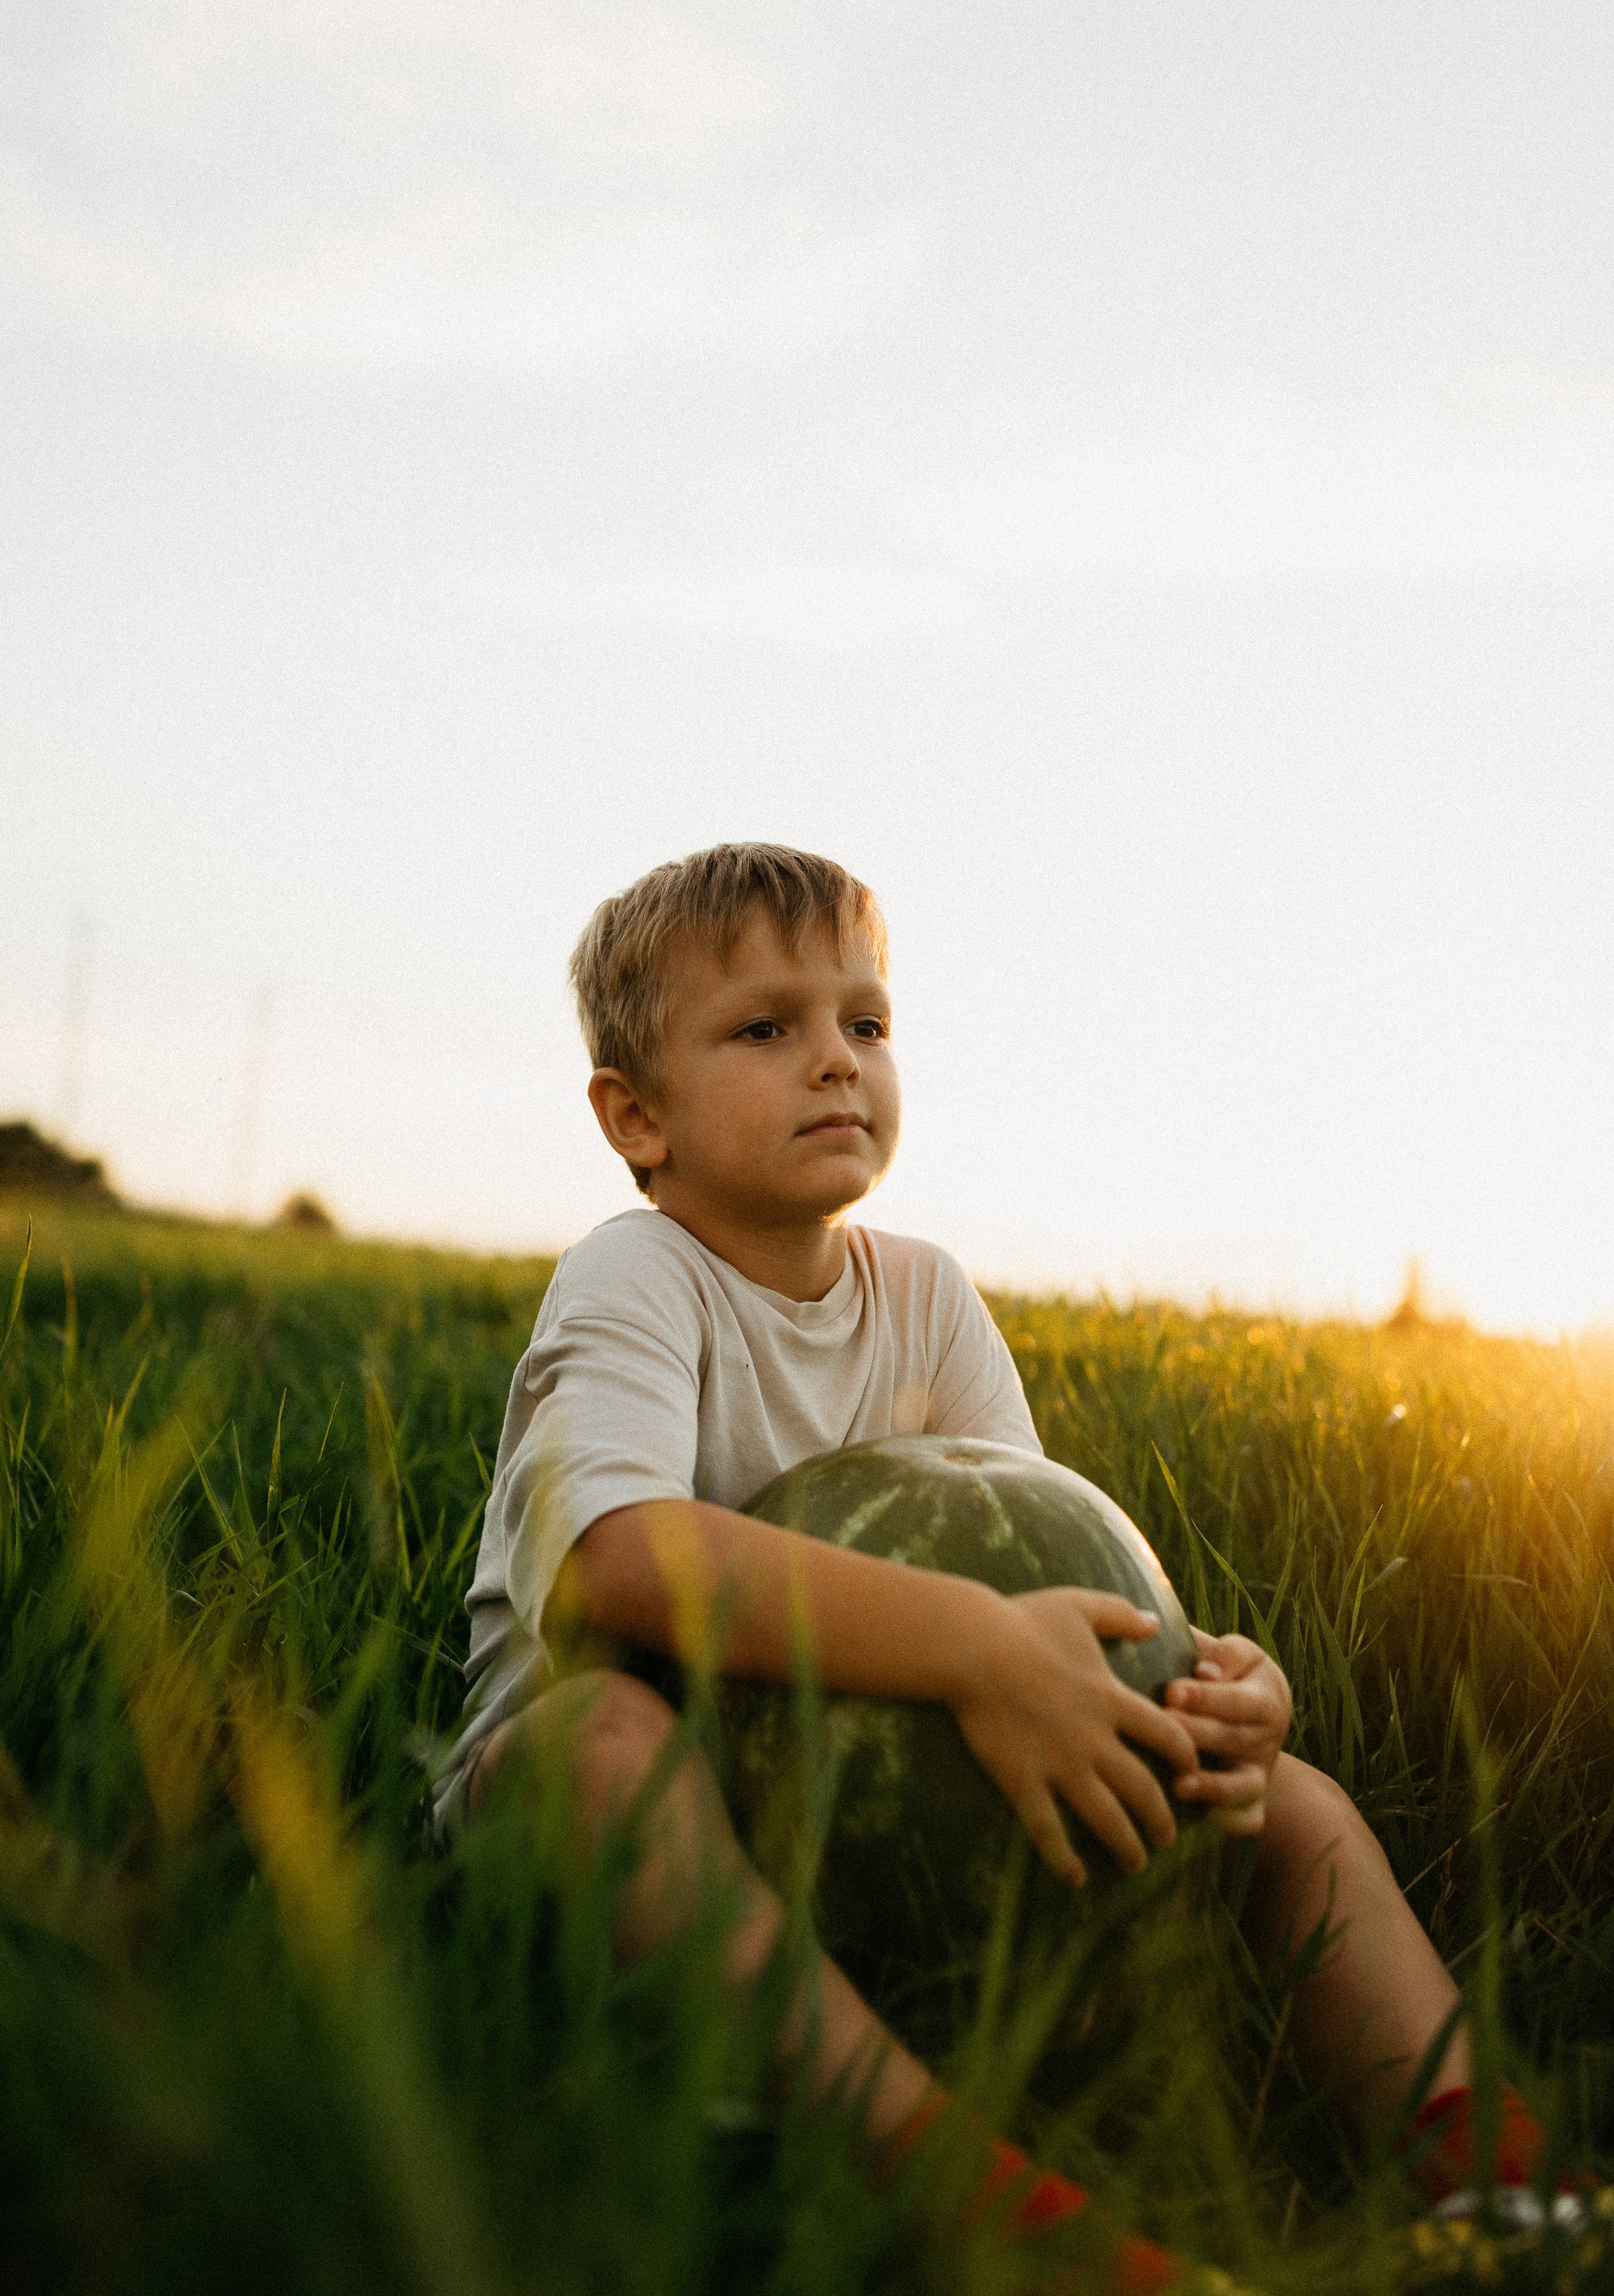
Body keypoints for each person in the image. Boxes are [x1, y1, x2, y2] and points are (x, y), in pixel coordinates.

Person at [441, 843, 1551, 2289]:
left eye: (867, 1022)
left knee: (1287, 1804)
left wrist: (1209, 1684)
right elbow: (615, 1562)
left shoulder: (929, 1298)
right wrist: (973, 1644)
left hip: (893, 1830)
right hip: (611, 1836)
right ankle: (957, 2189)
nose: (837, 1063)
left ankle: (1501, 2189)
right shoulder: (636, 1278)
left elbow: (1053, 1568)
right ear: (635, 1115)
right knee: (601, 1738)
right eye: (767, 1028)